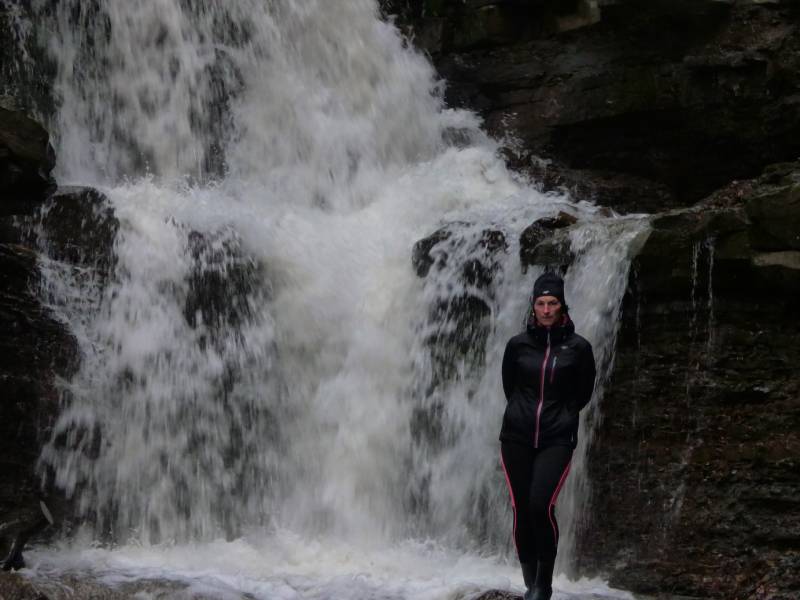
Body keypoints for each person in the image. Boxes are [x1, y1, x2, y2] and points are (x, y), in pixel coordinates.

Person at [499, 271, 596, 600]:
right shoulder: (517, 345)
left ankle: (544, 582)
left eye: (552, 303)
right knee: (521, 508)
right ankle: (530, 581)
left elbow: (583, 393)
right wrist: (522, 414)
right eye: (540, 303)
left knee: (541, 504)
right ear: (533, 306)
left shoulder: (579, 348)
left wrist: (563, 416)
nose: (546, 309)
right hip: (516, 437)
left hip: (557, 438)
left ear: (562, 305)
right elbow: (510, 387)